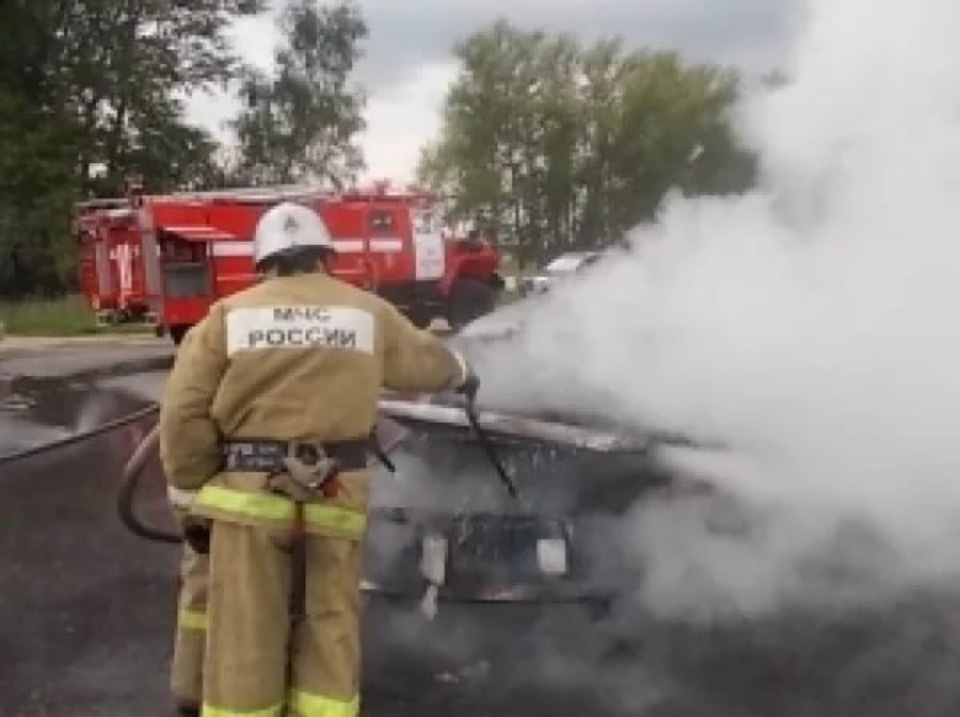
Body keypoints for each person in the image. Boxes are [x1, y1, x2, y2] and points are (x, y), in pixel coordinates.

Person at [158, 201, 477, 717]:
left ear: (264, 263)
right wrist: (463, 371)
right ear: (326, 257)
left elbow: (183, 415)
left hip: (248, 504)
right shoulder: (366, 311)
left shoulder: (227, 316)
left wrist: (192, 500)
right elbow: (425, 362)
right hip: (335, 496)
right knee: (330, 623)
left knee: (247, 631)